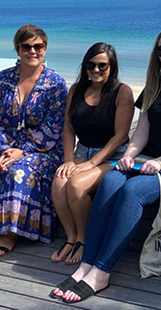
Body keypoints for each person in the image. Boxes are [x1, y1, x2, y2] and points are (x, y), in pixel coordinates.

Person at [51, 26, 161, 303]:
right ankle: (86, 264)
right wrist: (131, 154)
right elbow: (142, 130)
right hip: (146, 160)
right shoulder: (156, 83)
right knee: (112, 180)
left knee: (132, 191)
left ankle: (101, 271)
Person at [0, 25, 68, 257]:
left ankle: (11, 232)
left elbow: (53, 127)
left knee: (19, 172)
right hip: (4, 146)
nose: (32, 51)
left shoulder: (55, 84)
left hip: (42, 149)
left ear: (45, 49)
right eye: (26, 46)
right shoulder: (1, 81)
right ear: (18, 49)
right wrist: (4, 148)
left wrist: (23, 151)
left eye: (38, 46)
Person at [50, 42, 134, 265]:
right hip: (82, 150)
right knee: (59, 182)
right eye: (90, 65)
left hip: (113, 156)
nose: (95, 70)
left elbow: (120, 136)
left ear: (112, 67)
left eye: (102, 66)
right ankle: (71, 238)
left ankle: (86, 240)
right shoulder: (76, 89)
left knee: (77, 185)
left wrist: (92, 163)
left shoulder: (121, 92)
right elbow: (68, 127)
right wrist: (69, 160)